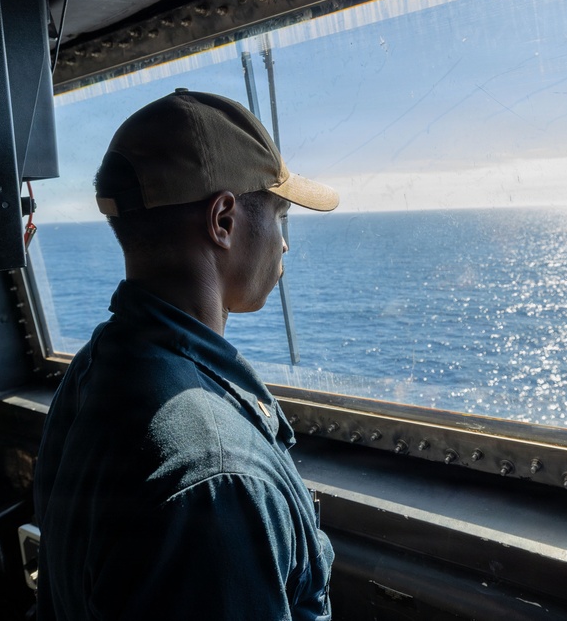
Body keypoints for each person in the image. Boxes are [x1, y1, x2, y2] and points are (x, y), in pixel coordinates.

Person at [33, 89, 339, 620]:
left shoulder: (96, 368)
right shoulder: (217, 478)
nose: (284, 243)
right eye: (280, 215)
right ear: (222, 220)